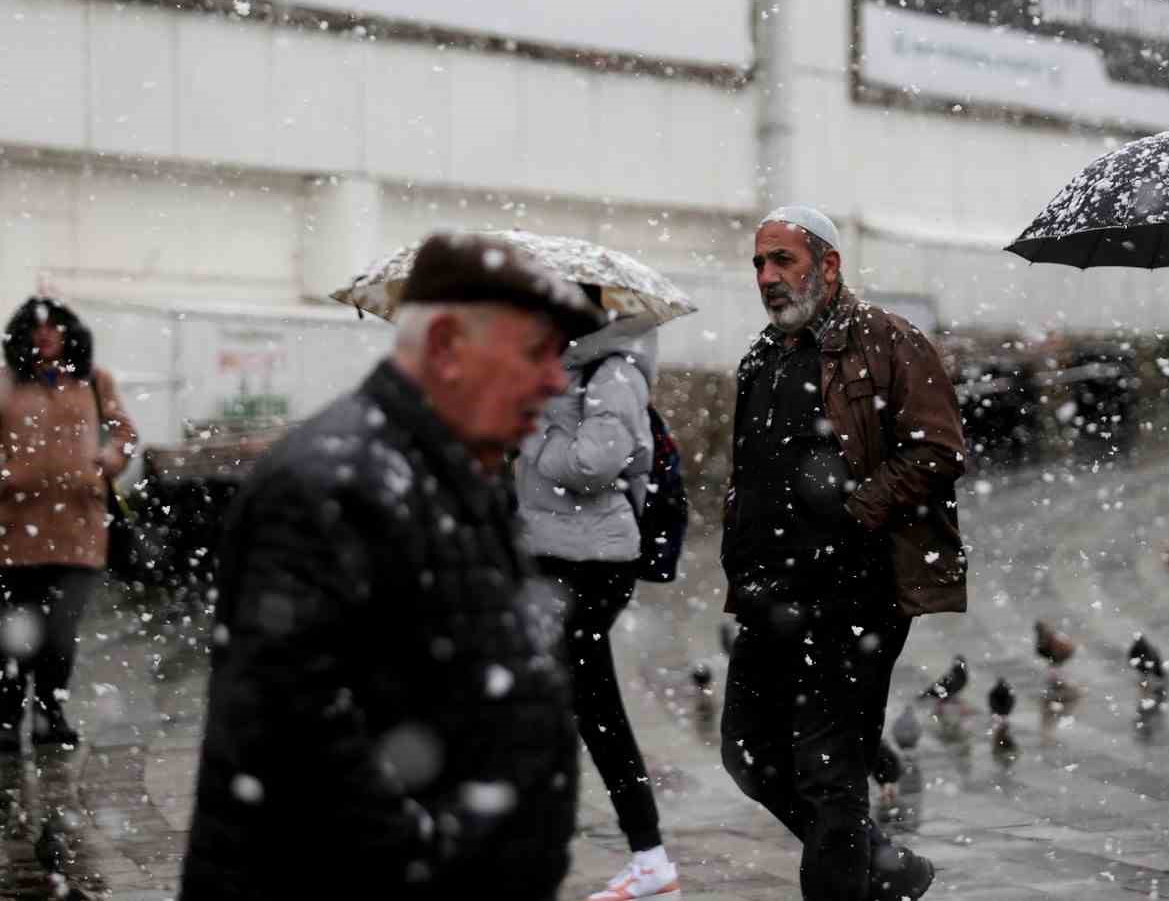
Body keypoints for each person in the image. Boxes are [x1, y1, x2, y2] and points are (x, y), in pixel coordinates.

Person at [178, 232, 606, 901]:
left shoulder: (463, 471)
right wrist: (438, 857)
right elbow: (296, 742)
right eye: (536, 352)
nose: (556, 378)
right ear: (444, 347)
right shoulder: (330, 484)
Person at [720, 204, 966, 901]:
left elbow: (939, 448)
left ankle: (847, 875)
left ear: (828, 265)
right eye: (759, 263)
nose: (767, 277)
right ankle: (882, 865)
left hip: (852, 595)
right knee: (748, 751)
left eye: (783, 261)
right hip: (769, 596)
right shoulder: (761, 357)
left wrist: (859, 506)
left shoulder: (887, 341)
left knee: (830, 771)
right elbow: (749, 473)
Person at [518, 309, 679, 901]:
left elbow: (592, 465)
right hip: (551, 555)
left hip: (594, 563)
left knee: (587, 703)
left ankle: (647, 856)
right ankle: (635, 852)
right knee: (563, 699)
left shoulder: (613, 372)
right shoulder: (566, 367)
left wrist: (532, 425)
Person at [0, 297, 138, 749]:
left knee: (60, 632)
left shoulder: (95, 382)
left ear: (69, 334)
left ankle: (49, 714)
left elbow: (124, 431)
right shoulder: (5, 384)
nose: (46, 335)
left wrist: (111, 457)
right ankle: (6, 718)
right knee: (14, 634)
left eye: (56, 328)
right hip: (13, 528)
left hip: (79, 527)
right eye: (37, 328)